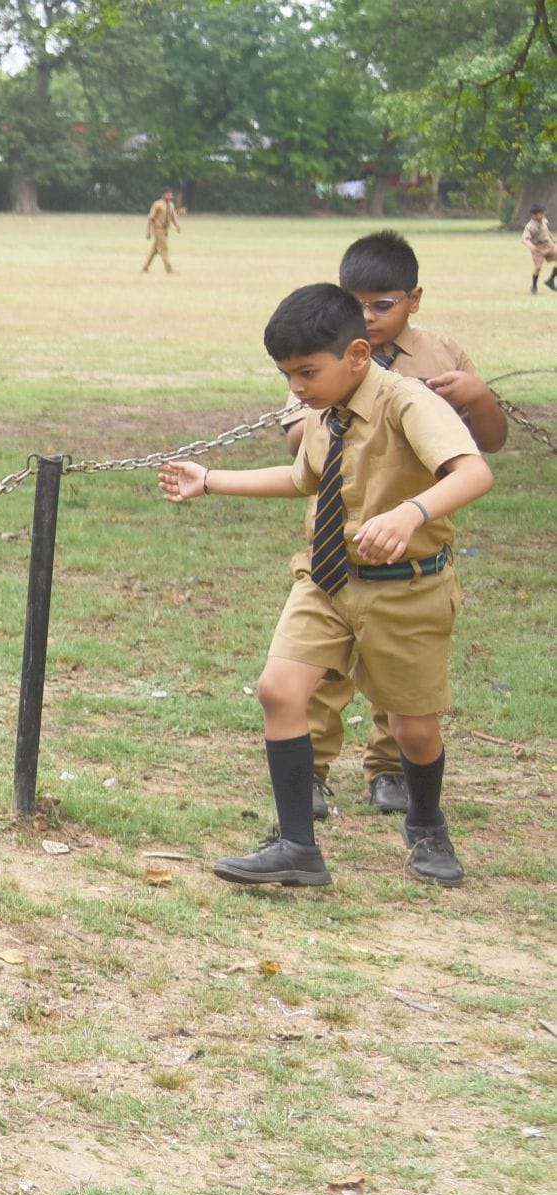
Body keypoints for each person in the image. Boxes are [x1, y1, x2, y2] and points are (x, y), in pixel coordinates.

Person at [159, 284, 490, 890]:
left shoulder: (406, 402)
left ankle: (425, 821)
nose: (297, 389)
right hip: (327, 578)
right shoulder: (323, 413)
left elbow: (474, 471)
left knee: (415, 729)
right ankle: (295, 847)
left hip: (407, 589)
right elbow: (301, 478)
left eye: (307, 372)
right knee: (279, 690)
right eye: (288, 376)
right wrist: (210, 480)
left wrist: (410, 513)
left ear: (358, 355)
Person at [281, 231, 507, 820]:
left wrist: (476, 396)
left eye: (383, 304)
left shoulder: (439, 356)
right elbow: (298, 452)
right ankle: (310, 773)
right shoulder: (319, 350)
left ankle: (391, 775)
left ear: (414, 298)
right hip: (336, 549)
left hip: (403, 554)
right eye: (357, 304)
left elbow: (485, 449)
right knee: (314, 673)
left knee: (398, 686)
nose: (368, 317)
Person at [143, 188, 181, 274]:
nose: (171, 196)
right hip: (158, 229)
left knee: (154, 250)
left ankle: (145, 267)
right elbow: (151, 218)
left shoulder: (171, 205)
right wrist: (148, 231)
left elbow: (173, 217)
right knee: (164, 249)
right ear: (164, 194)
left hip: (165, 230)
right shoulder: (157, 204)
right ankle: (169, 269)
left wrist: (177, 226)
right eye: (169, 194)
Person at [527, 204, 557, 294]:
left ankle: (550, 280)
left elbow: (546, 231)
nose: (544, 214)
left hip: (548, 245)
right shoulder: (530, 226)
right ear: (535, 215)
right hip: (538, 249)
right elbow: (524, 239)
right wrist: (531, 247)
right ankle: (534, 286)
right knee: (538, 268)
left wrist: (552, 239)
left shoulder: (544, 220)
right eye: (541, 213)